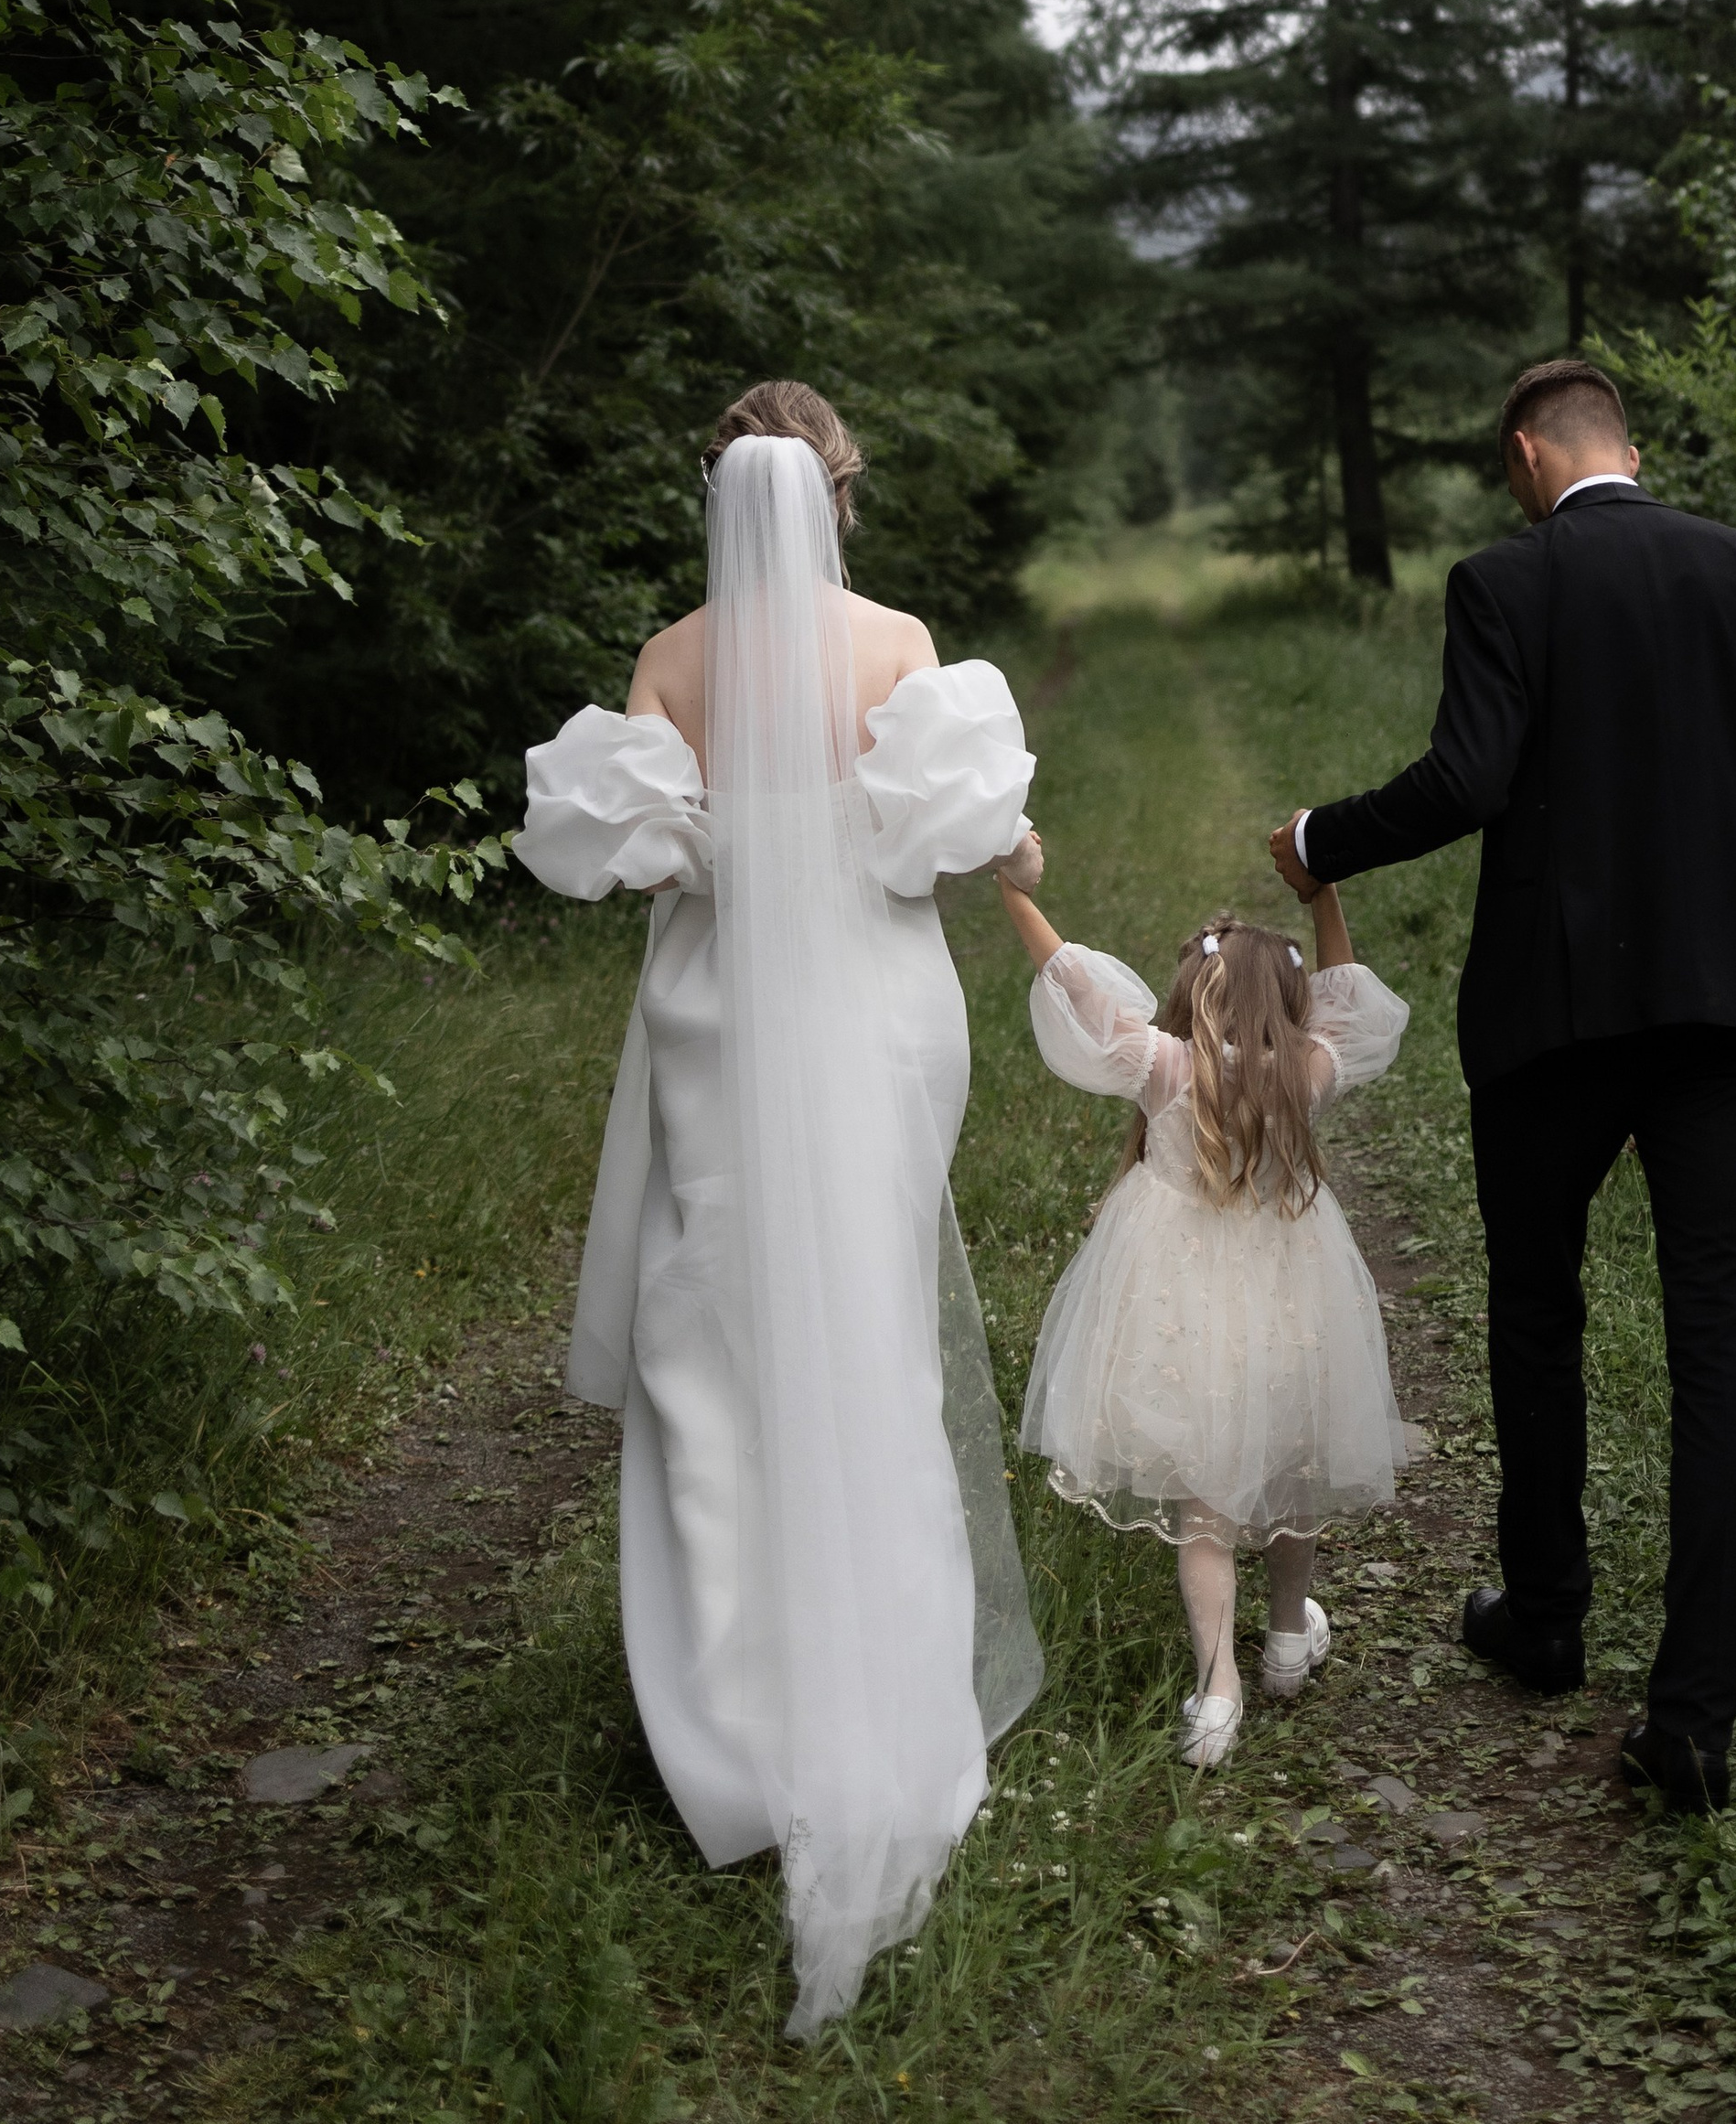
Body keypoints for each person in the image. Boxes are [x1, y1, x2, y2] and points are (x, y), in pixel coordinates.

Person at [1270, 358, 1736, 1816]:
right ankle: (1691, 1720)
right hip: (1718, 1023)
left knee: (1539, 1308)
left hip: (1553, 1020)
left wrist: (1321, 840)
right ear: (1629, 444)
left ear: (1528, 455)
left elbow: (1471, 779)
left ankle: (1547, 1620)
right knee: (1714, 1343)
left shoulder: (1508, 582)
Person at [509, 382, 1045, 2033]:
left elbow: (649, 862)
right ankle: (882, 1702)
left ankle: (733, 1750)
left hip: (721, 1033)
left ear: (717, 496)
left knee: (712, 1354)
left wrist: (736, 844)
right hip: (879, 1033)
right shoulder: (900, 643)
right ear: (838, 492)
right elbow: (938, 856)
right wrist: (1004, 837)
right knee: (868, 1334)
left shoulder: (671, 662)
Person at [994, 852, 1410, 1771]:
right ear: (1286, 1007)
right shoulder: (1304, 1075)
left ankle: (1217, 1690)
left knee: (1207, 1514)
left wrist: (1013, 893)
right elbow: (1352, 1005)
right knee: (1292, 1466)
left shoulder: (1166, 1068)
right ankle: (1291, 1635)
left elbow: (1071, 983)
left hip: (1177, 1309)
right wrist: (1324, 894)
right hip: (1292, 1302)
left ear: (1202, 993)